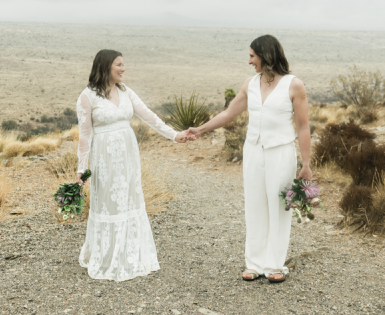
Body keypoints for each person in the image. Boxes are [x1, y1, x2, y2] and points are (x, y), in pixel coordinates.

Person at [187, 34, 311, 283]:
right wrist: (201, 129)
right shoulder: (249, 84)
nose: (249, 61)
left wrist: (306, 163)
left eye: (252, 56)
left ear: (266, 56)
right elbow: (229, 113)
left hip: (281, 152)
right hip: (253, 151)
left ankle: (275, 264)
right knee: (255, 205)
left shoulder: (293, 85)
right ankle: (254, 263)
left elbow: (303, 126)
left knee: (278, 207)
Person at [76, 49, 191, 281]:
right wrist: (81, 168)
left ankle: (129, 255)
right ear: (106, 66)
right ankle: (107, 257)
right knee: (108, 202)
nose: (123, 68)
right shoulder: (87, 97)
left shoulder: (126, 91)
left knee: (129, 198)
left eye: (123, 64)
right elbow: (84, 136)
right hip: (104, 158)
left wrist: (173, 135)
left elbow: (149, 116)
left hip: (128, 155)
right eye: (118, 64)